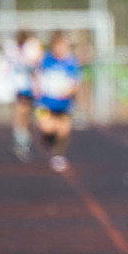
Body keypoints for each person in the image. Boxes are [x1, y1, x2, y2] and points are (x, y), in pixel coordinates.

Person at [34, 30, 80, 172]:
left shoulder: (71, 62)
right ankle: (47, 140)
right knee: (47, 128)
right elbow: (36, 77)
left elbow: (75, 84)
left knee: (63, 130)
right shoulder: (44, 60)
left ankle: (59, 155)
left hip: (64, 104)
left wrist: (68, 92)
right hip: (45, 103)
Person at [5, 30, 43, 161]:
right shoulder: (12, 49)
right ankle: (21, 136)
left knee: (29, 112)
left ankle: (24, 134)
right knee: (21, 110)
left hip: (31, 86)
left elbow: (36, 62)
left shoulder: (31, 47)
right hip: (20, 85)